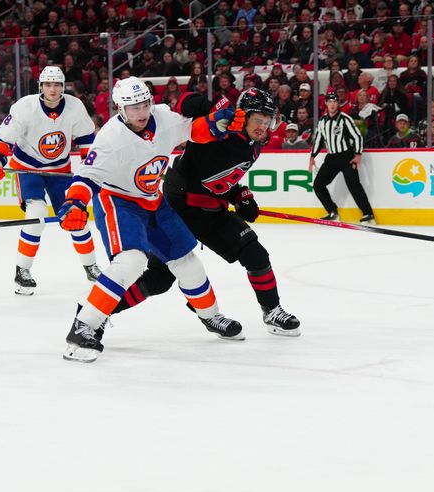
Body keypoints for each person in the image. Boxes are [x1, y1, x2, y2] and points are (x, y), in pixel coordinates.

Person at [57, 77, 246, 362]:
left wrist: (218, 123)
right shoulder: (110, 138)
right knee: (131, 262)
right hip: (118, 201)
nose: (141, 112)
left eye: (144, 104)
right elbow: (88, 176)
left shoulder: (164, 117)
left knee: (187, 262)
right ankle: (83, 326)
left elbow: (193, 130)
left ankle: (211, 316)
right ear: (120, 109)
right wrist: (75, 203)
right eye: (133, 108)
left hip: (152, 200)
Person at [109, 87, 301, 338]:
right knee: (158, 279)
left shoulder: (255, 145)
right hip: (179, 209)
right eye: (258, 120)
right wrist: (215, 109)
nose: (262, 127)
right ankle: (102, 311)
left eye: (267, 121)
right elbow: (185, 103)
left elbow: (222, 179)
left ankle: (272, 311)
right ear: (243, 115)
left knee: (255, 254)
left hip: (211, 212)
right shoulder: (219, 130)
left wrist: (239, 196)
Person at [0, 66, 101, 296]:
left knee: (75, 216)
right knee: (35, 213)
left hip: (60, 170)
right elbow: (2, 138)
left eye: (57, 84)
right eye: (48, 84)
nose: (53, 89)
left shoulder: (74, 106)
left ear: (63, 86)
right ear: (41, 86)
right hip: (28, 169)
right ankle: (22, 271)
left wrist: (91, 168)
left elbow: (87, 138)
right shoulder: (25, 107)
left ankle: (91, 266)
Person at [309, 91, 375, 224]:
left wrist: (357, 154)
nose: (332, 104)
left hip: (346, 156)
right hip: (332, 158)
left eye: (334, 101)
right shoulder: (322, 121)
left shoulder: (345, 119)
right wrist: (312, 156)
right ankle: (332, 211)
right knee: (318, 185)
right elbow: (319, 140)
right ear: (326, 104)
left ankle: (368, 214)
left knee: (354, 185)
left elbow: (357, 136)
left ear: (338, 104)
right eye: (330, 101)